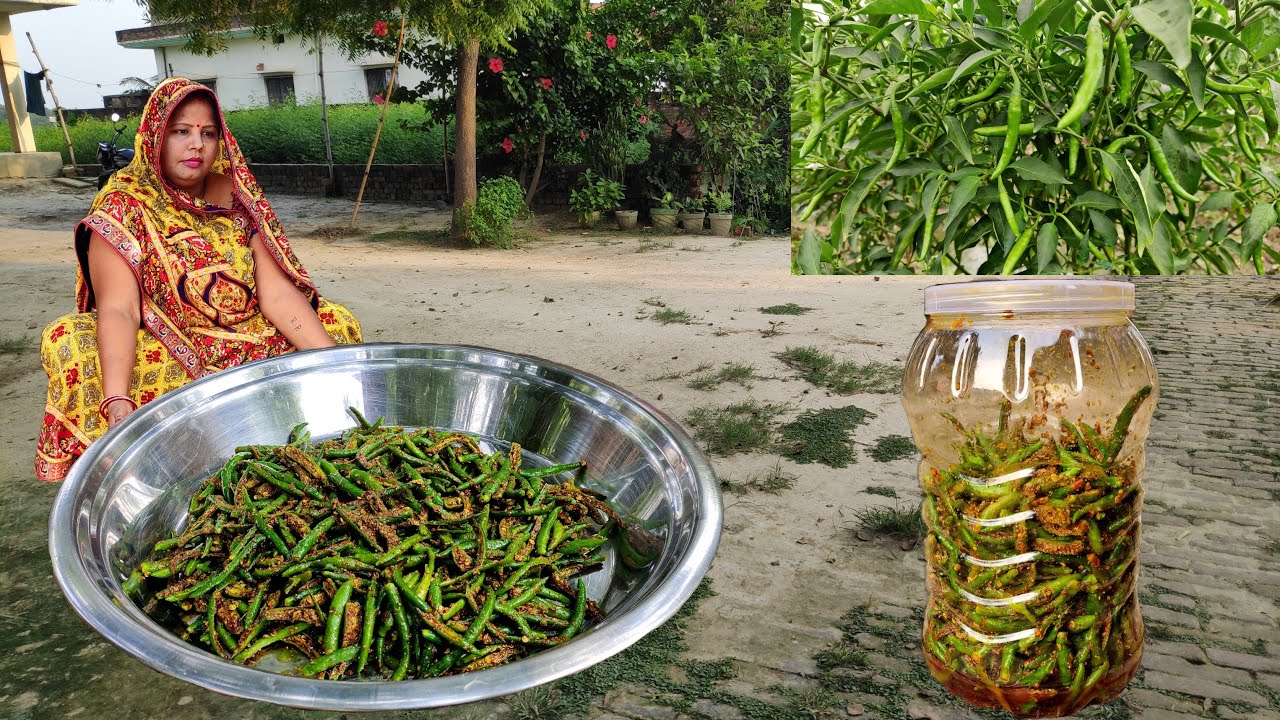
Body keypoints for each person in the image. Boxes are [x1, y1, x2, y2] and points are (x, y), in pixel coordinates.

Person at [35, 77, 362, 482]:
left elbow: (275, 292)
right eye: (181, 131)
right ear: (155, 136)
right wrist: (117, 398)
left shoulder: (234, 194)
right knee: (69, 341)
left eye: (208, 133)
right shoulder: (124, 205)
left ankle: (321, 450)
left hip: (251, 330)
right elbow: (118, 308)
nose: (197, 145)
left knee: (338, 324)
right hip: (174, 340)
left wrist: (334, 364)